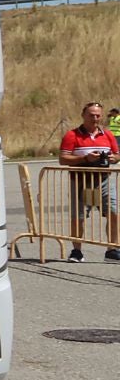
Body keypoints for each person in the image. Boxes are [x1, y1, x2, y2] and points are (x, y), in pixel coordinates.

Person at [58, 100, 120, 262]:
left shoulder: (107, 134)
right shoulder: (72, 135)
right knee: (79, 217)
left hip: (104, 180)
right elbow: (63, 159)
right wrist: (86, 158)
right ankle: (77, 251)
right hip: (82, 182)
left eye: (98, 115)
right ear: (83, 115)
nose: (95, 118)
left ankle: (112, 249)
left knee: (114, 214)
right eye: (91, 115)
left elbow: (117, 154)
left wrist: (113, 158)